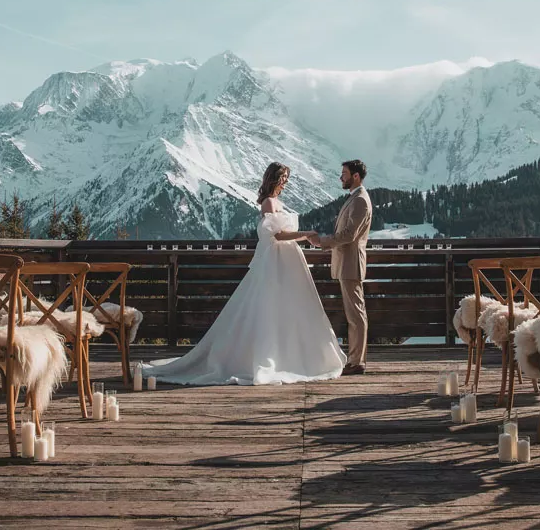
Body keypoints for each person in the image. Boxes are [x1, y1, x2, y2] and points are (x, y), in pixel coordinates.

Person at [140, 162, 347, 385]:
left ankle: (289, 355)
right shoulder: (268, 203)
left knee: (288, 307)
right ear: (274, 179)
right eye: (283, 178)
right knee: (268, 308)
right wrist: (306, 234)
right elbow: (277, 235)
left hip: (287, 261)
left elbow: (283, 235)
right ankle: (268, 356)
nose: (285, 182)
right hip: (275, 262)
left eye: (287, 178)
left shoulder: (278, 202)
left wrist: (305, 237)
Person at [314, 160, 373, 375]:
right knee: (355, 314)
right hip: (347, 262)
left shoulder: (360, 201)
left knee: (356, 314)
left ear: (355, 176)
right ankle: (355, 359)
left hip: (351, 263)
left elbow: (349, 235)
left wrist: (324, 241)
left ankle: (357, 362)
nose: (341, 177)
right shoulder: (355, 199)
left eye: (344, 173)